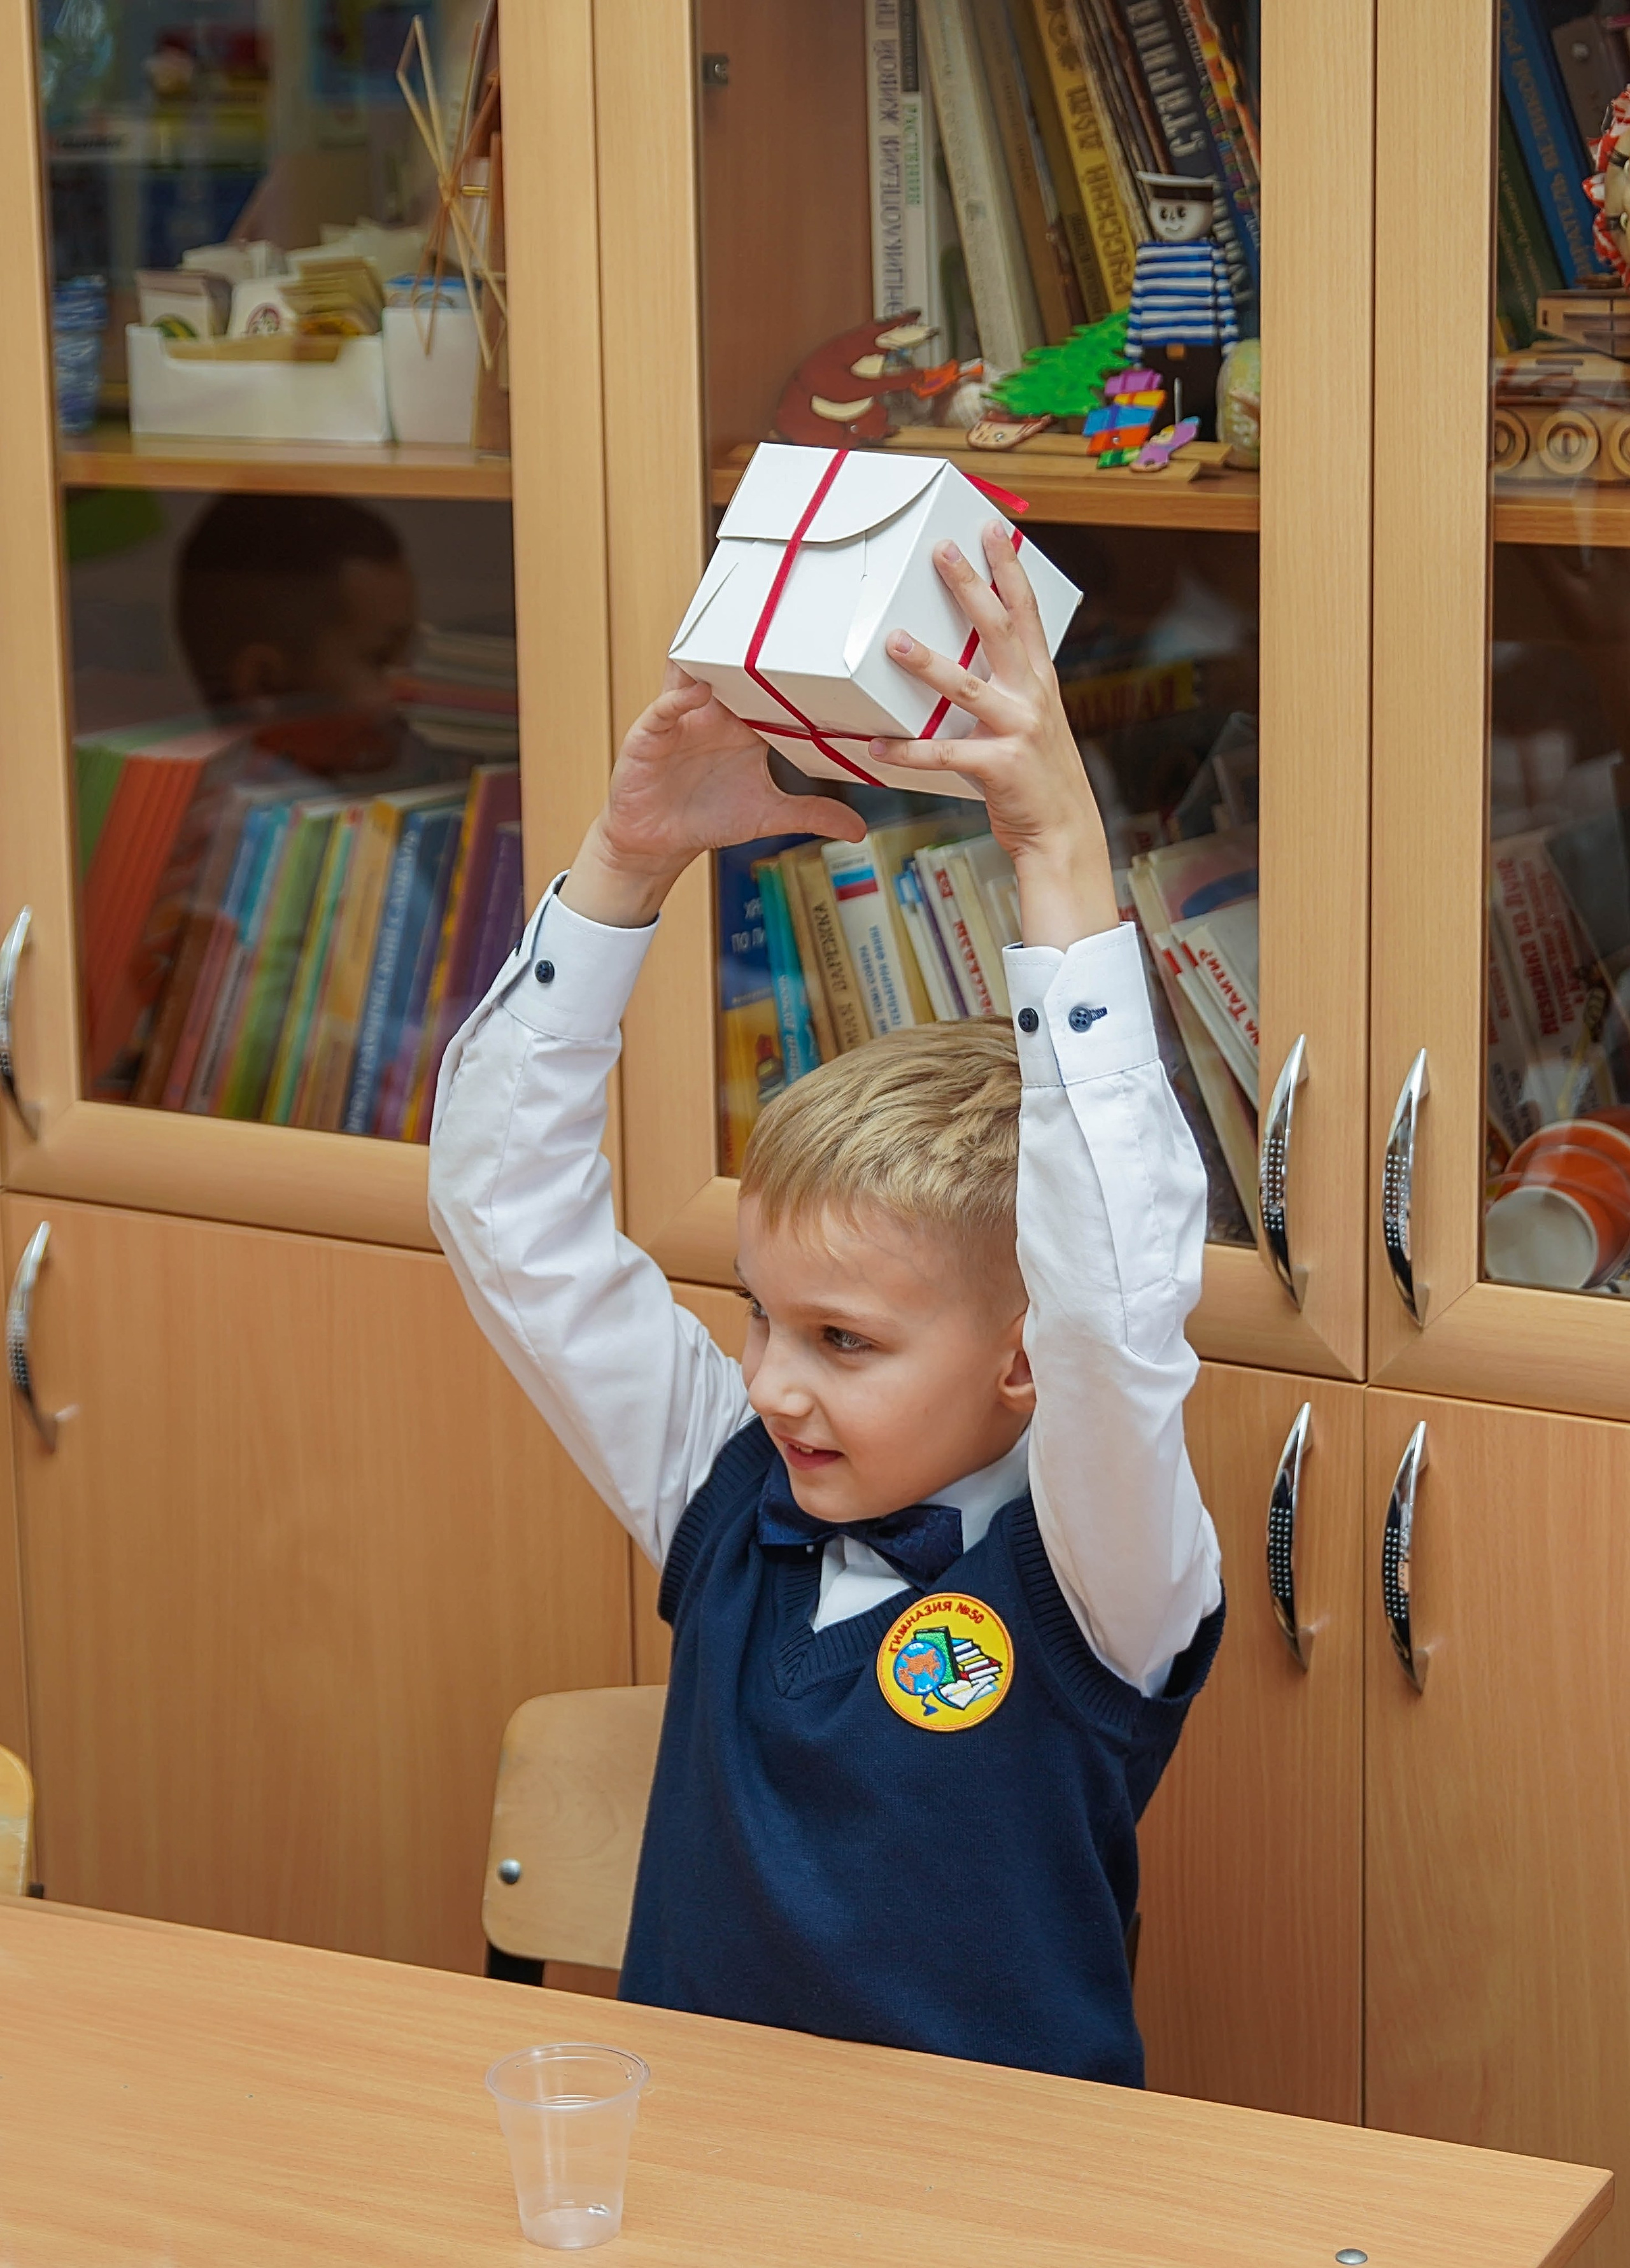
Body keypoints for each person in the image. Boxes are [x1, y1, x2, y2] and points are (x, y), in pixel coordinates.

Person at [428, 525, 1224, 2084]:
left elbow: (1112, 1312)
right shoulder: (727, 1488)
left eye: (843, 1341)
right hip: (703, 2189)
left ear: (1016, 1361)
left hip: (987, 2214)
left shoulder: (1103, 1572)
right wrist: (627, 863)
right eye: (763, 1320)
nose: (775, 1385)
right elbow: (504, 1209)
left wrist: (1056, 847)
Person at [175, 493, 453, 785]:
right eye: (380, 659)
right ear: (265, 685)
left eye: (410, 655)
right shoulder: (219, 823)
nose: (413, 689)